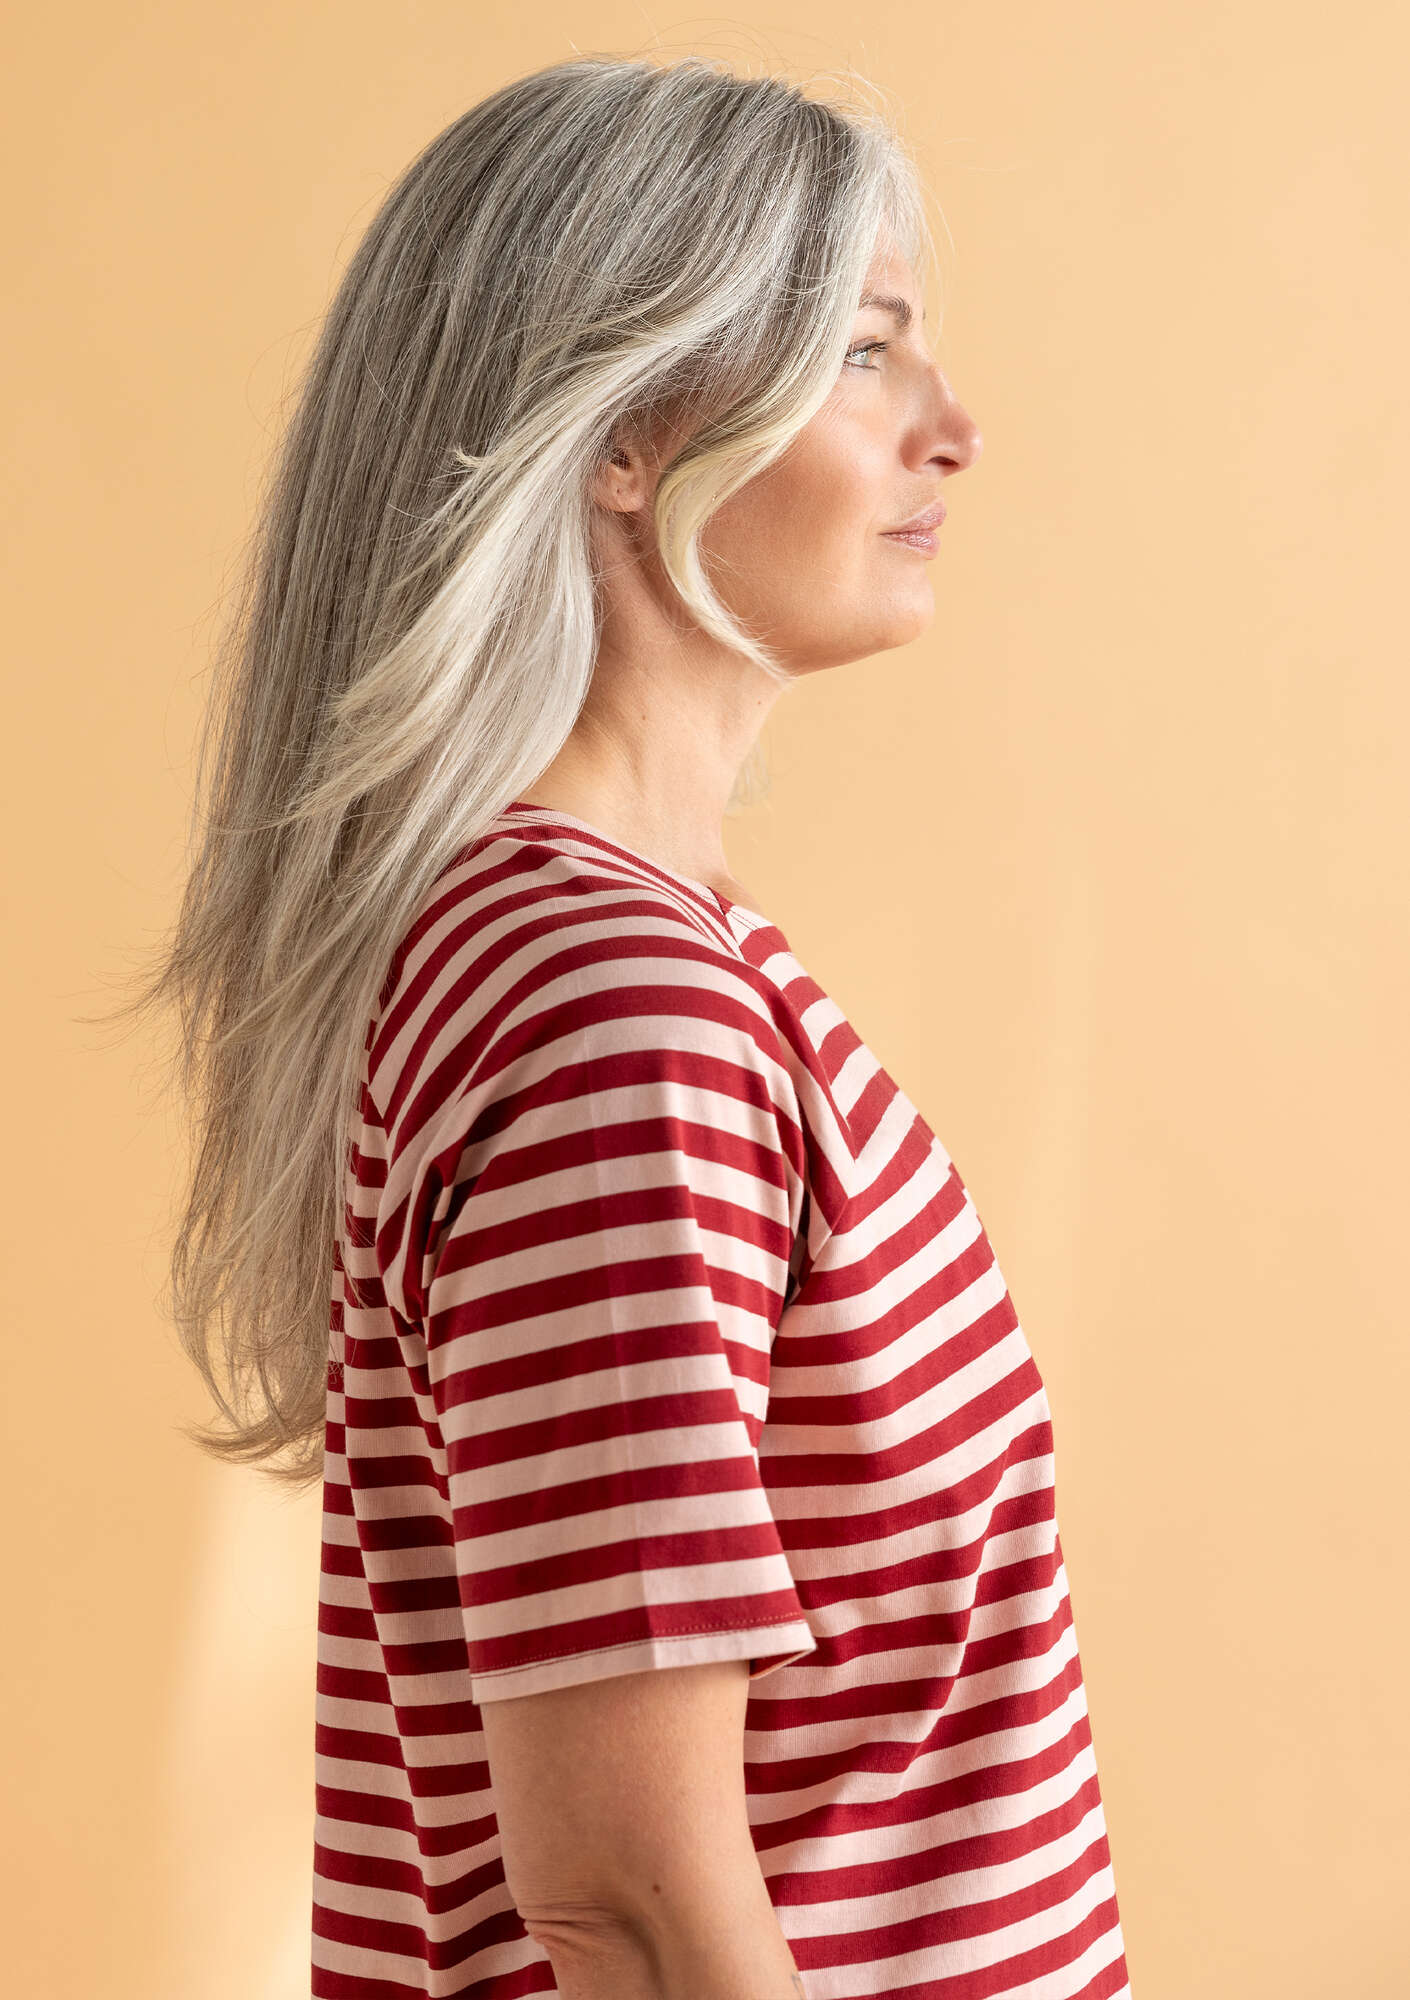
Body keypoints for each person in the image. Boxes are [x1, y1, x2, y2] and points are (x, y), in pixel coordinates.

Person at [126, 50, 1132, 2000]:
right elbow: (635, 1908)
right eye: (866, 350)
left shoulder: (633, 957)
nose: (954, 431)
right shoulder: (613, 1012)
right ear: (632, 428)